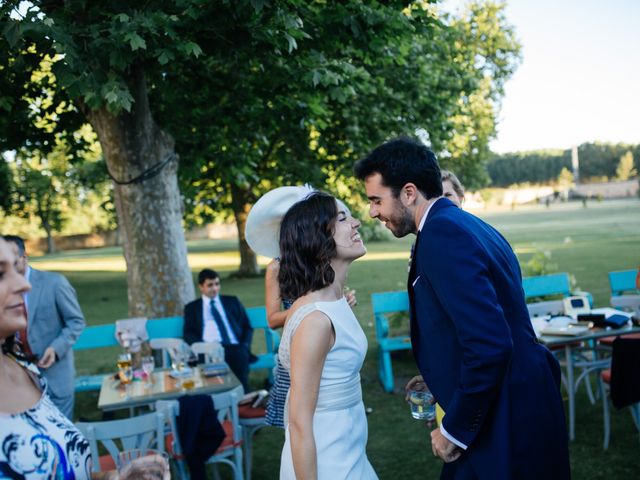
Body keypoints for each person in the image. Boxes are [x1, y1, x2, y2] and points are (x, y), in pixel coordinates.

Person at [354, 137, 570, 480]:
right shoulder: (468, 225)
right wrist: (440, 371)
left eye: (377, 200)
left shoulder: (442, 235)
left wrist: (453, 430)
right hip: (512, 394)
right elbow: (469, 322)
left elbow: (490, 344)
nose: (372, 212)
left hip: (504, 410)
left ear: (409, 193)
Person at [0, 235, 169, 479]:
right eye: (1, 273)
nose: (24, 285)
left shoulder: (25, 370)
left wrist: (114, 476)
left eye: (16, 267)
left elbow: (63, 466)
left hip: (56, 375)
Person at [276, 191, 377, 479]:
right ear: (318, 239)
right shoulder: (316, 321)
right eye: (343, 218)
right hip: (328, 461)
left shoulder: (333, 304)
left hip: (350, 447)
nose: (356, 222)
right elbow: (298, 423)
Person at [245, 185, 358, 429]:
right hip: (297, 345)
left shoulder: (320, 260)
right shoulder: (275, 268)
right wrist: (307, 309)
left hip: (322, 343)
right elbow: (273, 319)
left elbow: (325, 300)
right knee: (300, 417)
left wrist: (339, 304)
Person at [4, 235, 86, 420]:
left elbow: (76, 322)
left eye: (13, 261)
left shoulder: (55, 283)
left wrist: (55, 349)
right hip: (20, 381)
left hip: (56, 375)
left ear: (25, 257)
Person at [183, 268, 254, 392]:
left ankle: (243, 397)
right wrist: (202, 348)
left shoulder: (232, 301)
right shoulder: (192, 308)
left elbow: (247, 327)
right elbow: (188, 333)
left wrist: (245, 345)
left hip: (234, 347)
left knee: (238, 355)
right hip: (208, 350)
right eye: (210, 285)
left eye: (217, 284)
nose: (215, 288)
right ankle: (222, 399)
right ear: (201, 287)